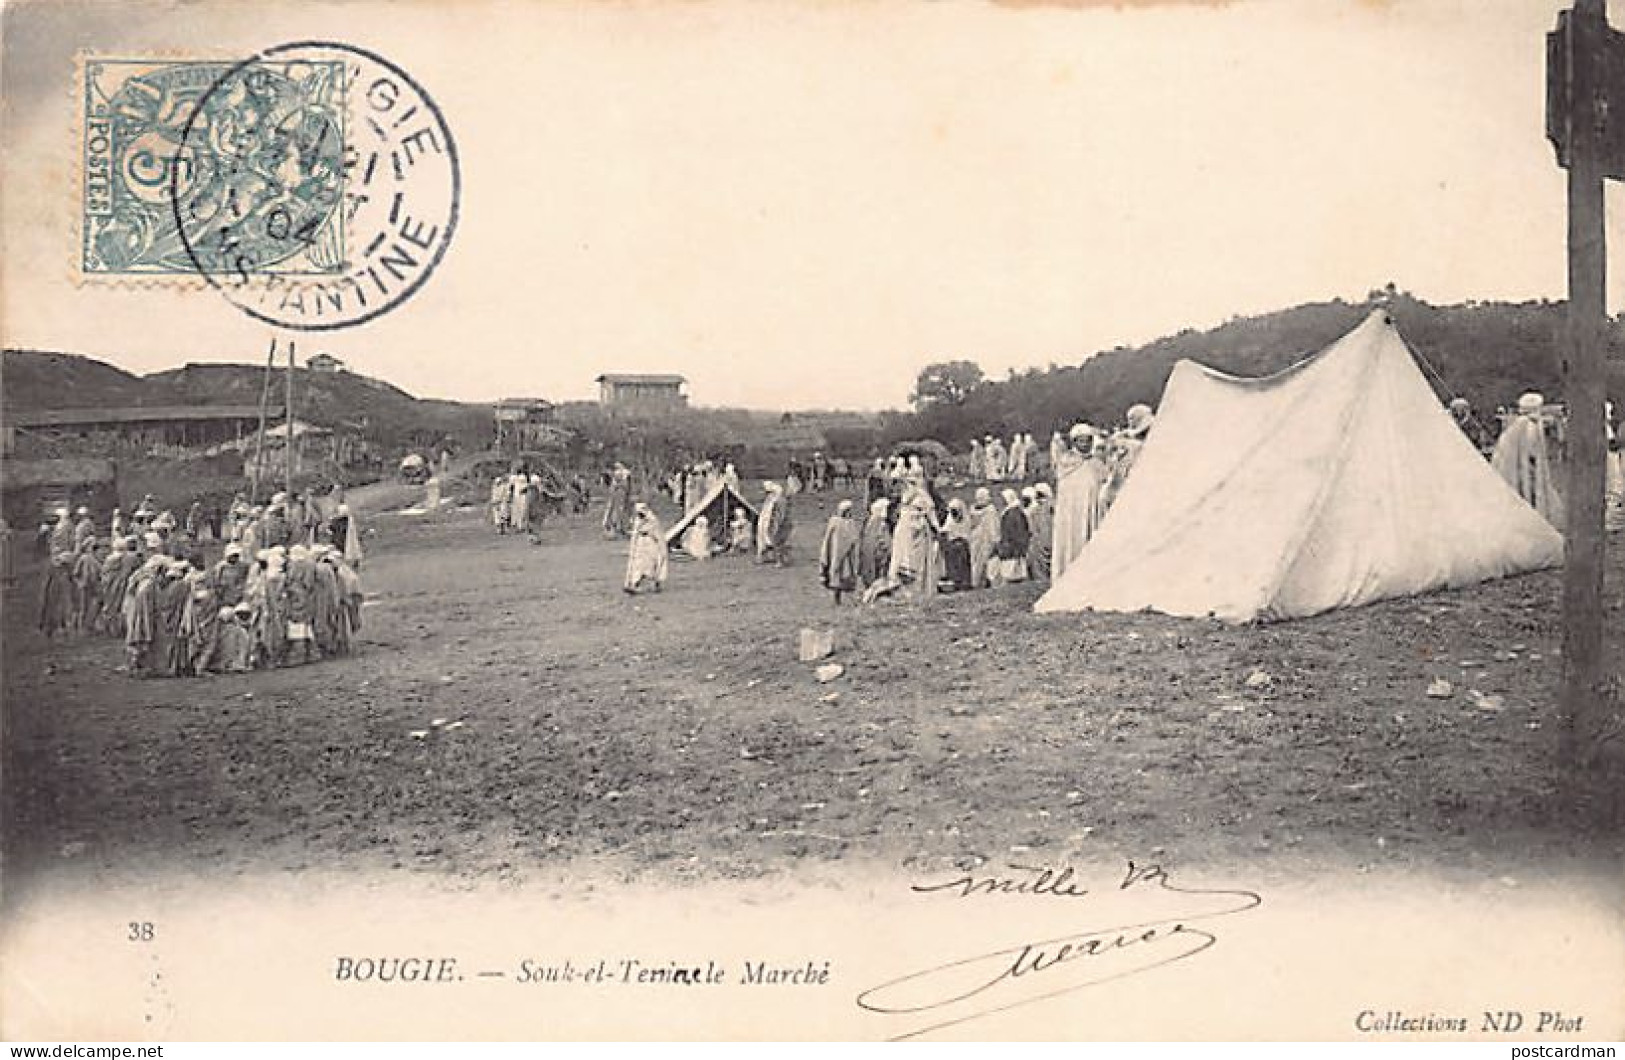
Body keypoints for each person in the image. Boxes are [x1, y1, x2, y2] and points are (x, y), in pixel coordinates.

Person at [1490, 392, 1564, 528]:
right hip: (1524, 469)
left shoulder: (1517, 424)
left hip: (1520, 467)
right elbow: (1530, 451)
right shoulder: (1529, 425)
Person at [1052, 424, 1108, 580]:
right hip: (1072, 516)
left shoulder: (1096, 463)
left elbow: (1104, 483)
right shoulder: (1066, 463)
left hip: (1093, 512)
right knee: (1073, 542)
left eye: (1088, 441)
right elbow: (1065, 494)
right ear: (1074, 442)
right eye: (1081, 441)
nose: (1085, 444)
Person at [818, 499, 861, 603]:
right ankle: (836, 598)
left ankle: (849, 597)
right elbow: (829, 538)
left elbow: (854, 536)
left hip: (848, 554)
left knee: (846, 575)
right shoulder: (835, 522)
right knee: (836, 575)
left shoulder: (850, 522)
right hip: (836, 552)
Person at [624, 503, 669, 593]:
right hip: (641, 544)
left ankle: (654, 584)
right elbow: (636, 533)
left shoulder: (653, 520)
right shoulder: (638, 521)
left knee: (650, 564)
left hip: (650, 543)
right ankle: (634, 583)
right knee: (638, 564)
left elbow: (657, 534)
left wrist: (660, 547)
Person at [991, 488, 1031, 585]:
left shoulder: (1013, 514)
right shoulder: (1010, 512)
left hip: (1012, 549)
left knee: (1011, 575)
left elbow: (1017, 532)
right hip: (1010, 548)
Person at [966, 486, 1000, 589]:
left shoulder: (972, 510)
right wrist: (996, 540)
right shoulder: (990, 510)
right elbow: (993, 527)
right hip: (985, 539)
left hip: (975, 539)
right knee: (984, 561)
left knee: (976, 562)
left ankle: (976, 582)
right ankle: (982, 582)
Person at [39, 552, 77, 638]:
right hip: (54, 591)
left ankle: (62, 627)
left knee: (65, 609)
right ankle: (51, 628)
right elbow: (47, 582)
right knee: (53, 609)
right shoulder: (52, 569)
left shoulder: (66, 569)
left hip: (64, 591)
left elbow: (72, 578)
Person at [939, 499, 974, 591]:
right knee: (953, 565)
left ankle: (964, 582)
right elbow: (946, 529)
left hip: (962, 545)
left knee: (962, 564)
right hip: (953, 545)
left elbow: (966, 531)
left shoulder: (965, 518)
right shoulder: (950, 519)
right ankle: (955, 582)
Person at [757, 482, 793, 566]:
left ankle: (782, 561)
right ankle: (776, 558)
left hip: (779, 524)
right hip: (769, 523)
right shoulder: (770, 500)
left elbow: (781, 514)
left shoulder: (779, 501)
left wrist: (776, 523)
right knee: (772, 541)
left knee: (778, 542)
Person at [858, 497, 891, 586]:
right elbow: (883, 539)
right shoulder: (880, 523)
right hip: (876, 552)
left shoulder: (870, 522)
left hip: (872, 551)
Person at [1024, 485, 1053, 582]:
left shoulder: (1052, 508)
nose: (1040, 499)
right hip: (1038, 540)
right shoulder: (1035, 510)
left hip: (1050, 538)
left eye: (1041, 495)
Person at [214, 605, 254, 673]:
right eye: (241, 615)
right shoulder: (239, 631)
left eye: (245, 615)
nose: (243, 617)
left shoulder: (242, 631)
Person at [602, 463, 633, 538]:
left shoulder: (623, 476)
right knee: (616, 511)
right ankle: (615, 528)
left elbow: (626, 486)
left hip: (621, 496)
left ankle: (622, 528)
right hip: (617, 496)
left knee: (623, 511)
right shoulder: (616, 481)